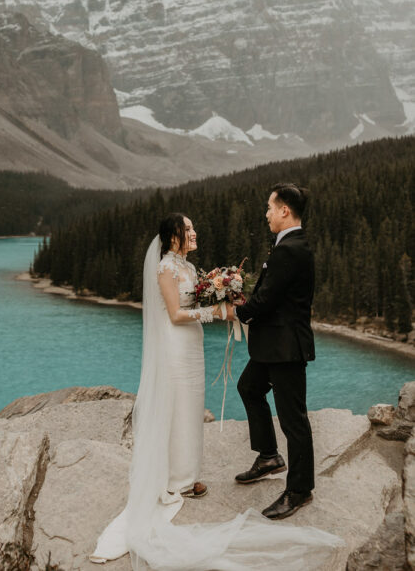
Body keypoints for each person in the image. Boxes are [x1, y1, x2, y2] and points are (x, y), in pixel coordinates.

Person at [90, 211, 341, 570]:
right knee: (178, 406)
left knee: (193, 407)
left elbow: (200, 302)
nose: (194, 232)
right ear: (173, 235)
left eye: (193, 227)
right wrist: (219, 312)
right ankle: (175, 481)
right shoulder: (166, 269)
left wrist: (224, 298)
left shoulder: (190, 269)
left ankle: (193, 474)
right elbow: (176, 315)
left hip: (195, 345)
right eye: (188, 229)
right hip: (175, 346)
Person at [230, 183, 316, 521]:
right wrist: (244, 301)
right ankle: (268, 456)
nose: (266, 213)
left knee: (294, 420)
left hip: (285, 348)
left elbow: (266, 301)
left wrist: (237, 311)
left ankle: (299, 490)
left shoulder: (290, 249)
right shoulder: (287, 246)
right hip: (272, 346)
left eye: (270, 207)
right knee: (249, 388)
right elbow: (270, 293)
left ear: (284, 210)